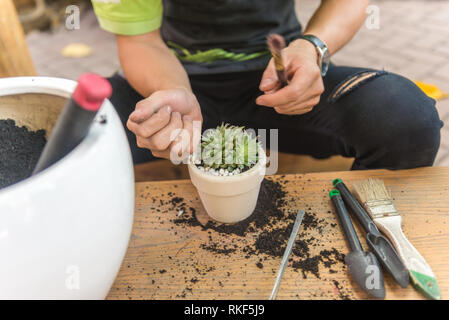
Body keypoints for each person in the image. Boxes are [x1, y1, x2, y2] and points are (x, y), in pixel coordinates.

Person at [91, 0, 442, 170]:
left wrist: (311, 49)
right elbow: (140, 42)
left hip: (278, 86)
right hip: (173, 86)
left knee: (404, 118)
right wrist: (174, 95)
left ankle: (369, 237)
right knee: (62, 136)